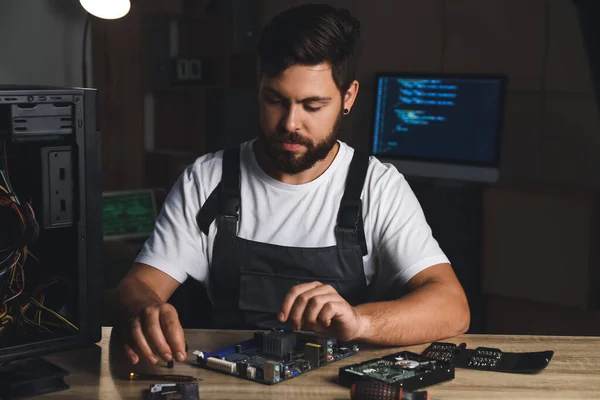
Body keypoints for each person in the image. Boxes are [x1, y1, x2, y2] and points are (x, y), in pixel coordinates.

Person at [112, 3, 470, 366]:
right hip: (228, 383)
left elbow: (452, 307)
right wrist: (145, 309)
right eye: (275, 100)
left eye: (312, 106)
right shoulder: (206, 180)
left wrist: (360, 320)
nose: (290, 123)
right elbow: (137, 286)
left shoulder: (378, 188)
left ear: (348, 98)